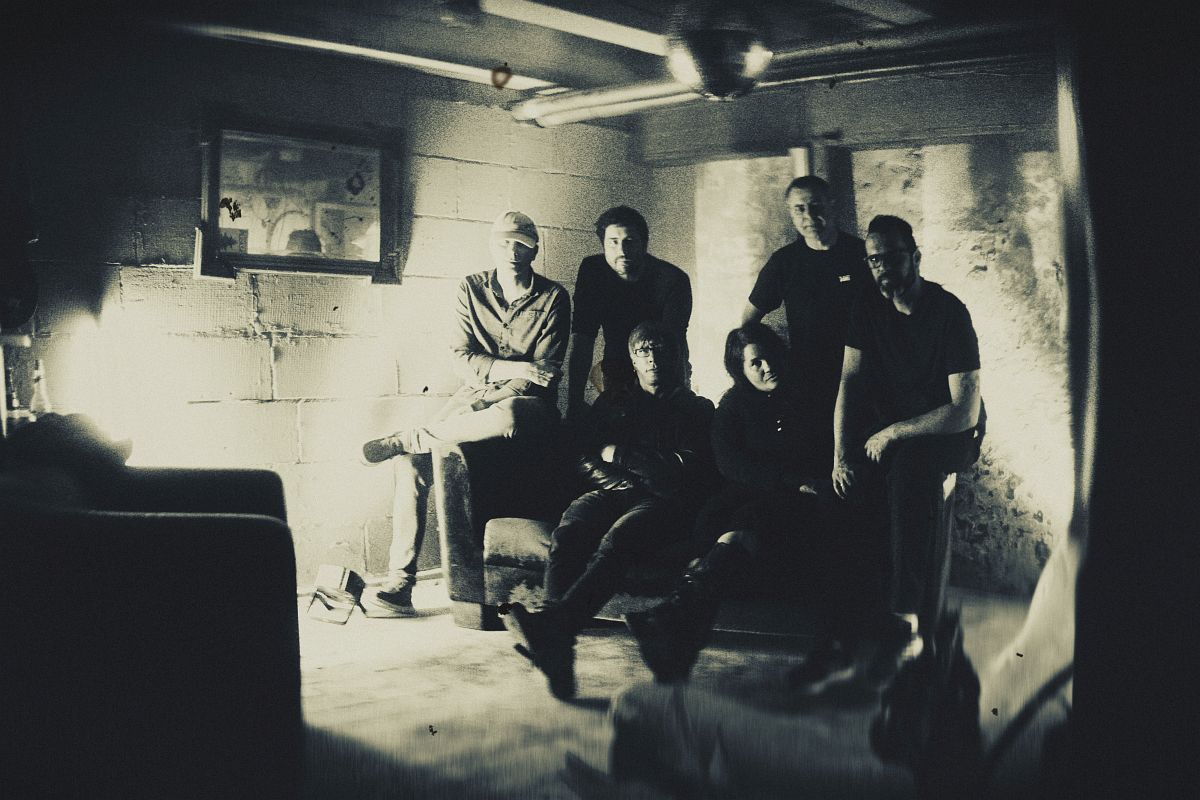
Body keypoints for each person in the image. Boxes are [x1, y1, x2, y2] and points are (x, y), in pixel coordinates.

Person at [626, 323, 887, 694]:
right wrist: (785, 479)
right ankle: (676, 630)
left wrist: (805, 482)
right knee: (742, 522)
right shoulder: (732, 406)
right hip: (750, 499)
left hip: (801, 505)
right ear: (740, 369)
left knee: (758, 523)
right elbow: (730, 463)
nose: (767, 367)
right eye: (755, 363)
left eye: (770, 357)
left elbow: (825, 452)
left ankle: (673, 622)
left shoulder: (810, 397)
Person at [360, 210, 570, 614]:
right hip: (474, 396)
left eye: (521, 244)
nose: (512, 251)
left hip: (528, 406)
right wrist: (515, 369)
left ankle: (413, 436)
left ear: (534, 250)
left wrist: (504, 378)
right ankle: (400, 582)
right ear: (492, 246)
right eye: (504, 243)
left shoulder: (554, 297)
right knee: (409, 463)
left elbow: (541, 377)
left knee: (509, 415)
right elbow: (461, 359)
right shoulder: (470, 288)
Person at [502, 321, 715, 699]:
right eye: (643, 351)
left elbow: (677, 477)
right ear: (633, 360)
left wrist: (619, 453)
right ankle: (558, 646)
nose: (652, 359)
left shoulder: (697, 410)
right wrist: (626, 479)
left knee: (619, 539)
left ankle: (554, 633)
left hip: (664, 503)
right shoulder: (613, 403)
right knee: (570, 529)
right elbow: (583, 458)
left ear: (678, 356)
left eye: (660, 349)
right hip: (614, 490)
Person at [833, 214, 984, 672]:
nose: (882, 268)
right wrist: (840, 456)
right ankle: (861, 613)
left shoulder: (950, 312)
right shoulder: (867, 307)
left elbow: (964, 410)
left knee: (908, 472)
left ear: (915, 257)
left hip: (949, 431)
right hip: (895, 429)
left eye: (891, 257)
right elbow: (850, 381)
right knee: (852, 484)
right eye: (873, 260)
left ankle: (908, 621)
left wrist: (893, 432)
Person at [741, 175, 871, 436]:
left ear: (831, 204)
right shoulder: (784, 262)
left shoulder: (861, 254)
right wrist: (767, 364)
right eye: (799, 209)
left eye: (816, 206)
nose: (809, 216)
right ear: (791, 212)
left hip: (864, 375)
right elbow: (748, 322)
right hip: (809, 379)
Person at [567, 206, 692, 419]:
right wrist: (574, 404)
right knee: (615, 422)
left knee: (664, 419)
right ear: (603, 245)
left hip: (659, 363)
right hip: (616, 365)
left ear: (644, 244)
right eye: (613, 242)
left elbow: (674, 345)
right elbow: (583, 338)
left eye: (630, 241)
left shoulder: (672, 279)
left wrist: (679, 399)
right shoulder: (593, 271)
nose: (622, 251)